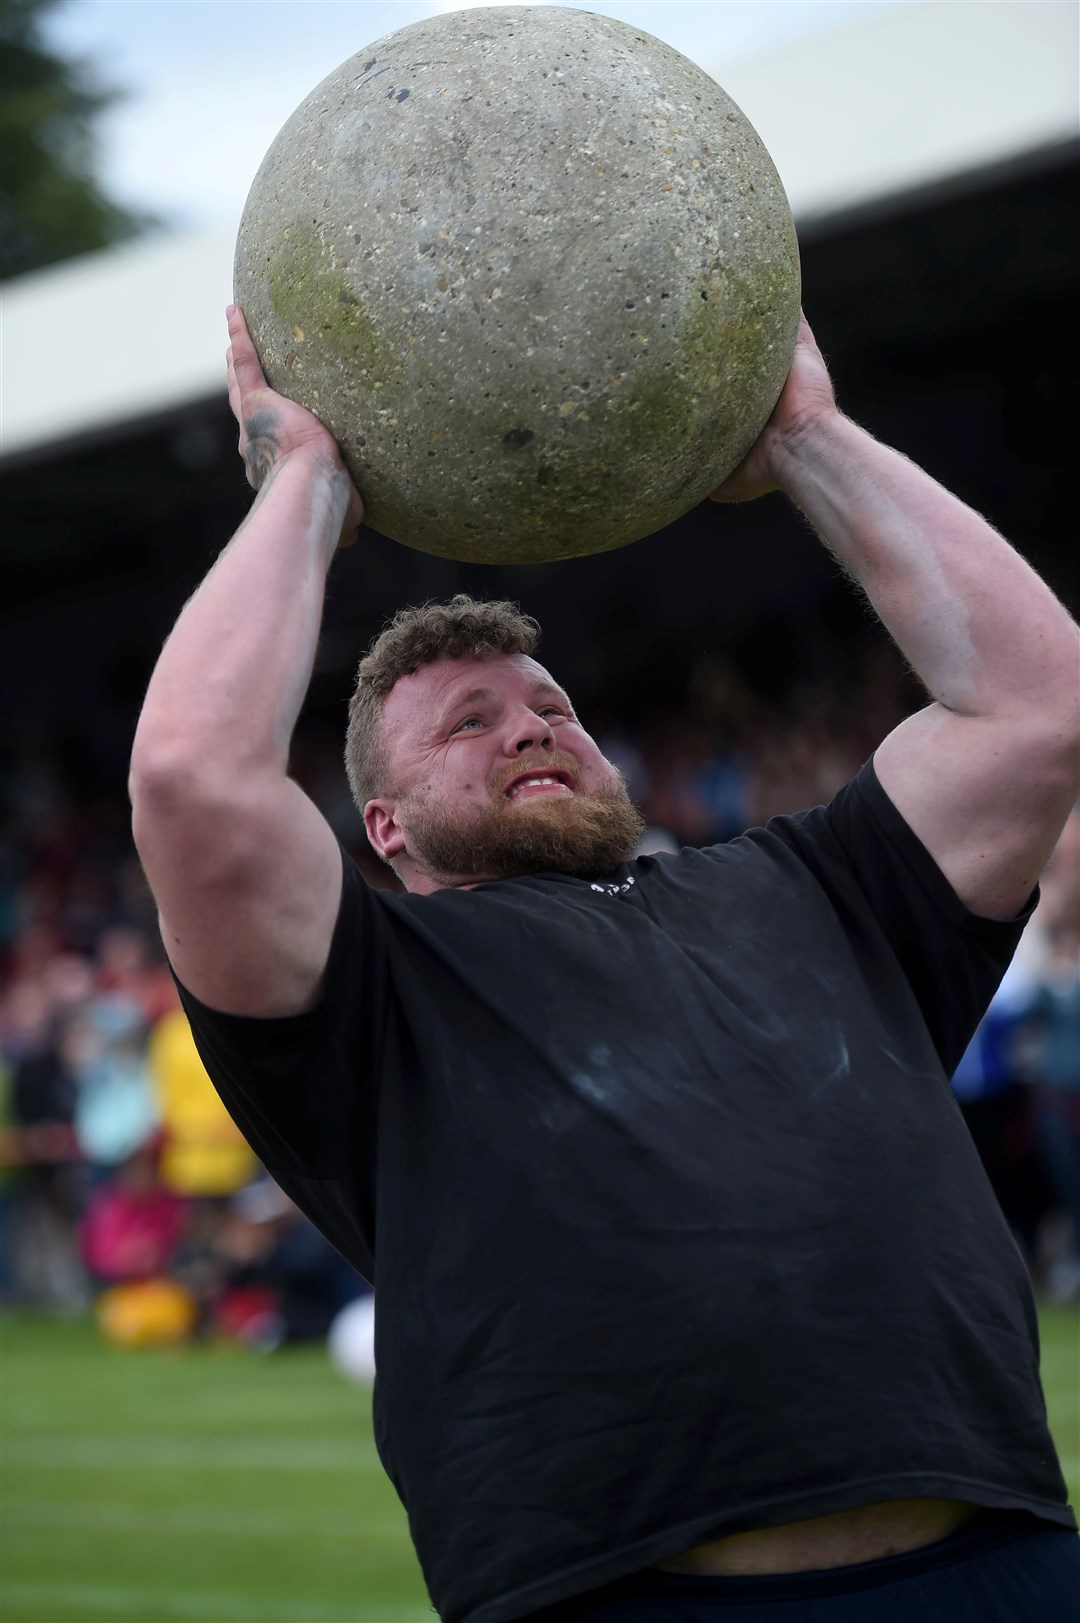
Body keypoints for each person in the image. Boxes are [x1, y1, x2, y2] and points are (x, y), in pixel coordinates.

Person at [128, 305, 1080, 1623]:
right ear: (385, 827)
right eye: (471, 721)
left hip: (1002, 1566)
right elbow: (192, 780)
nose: (534, 728)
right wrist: (307, 478)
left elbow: (1040, 706)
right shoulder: (373, 987)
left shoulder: (813, 883)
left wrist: (810, 436)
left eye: (552, 705)